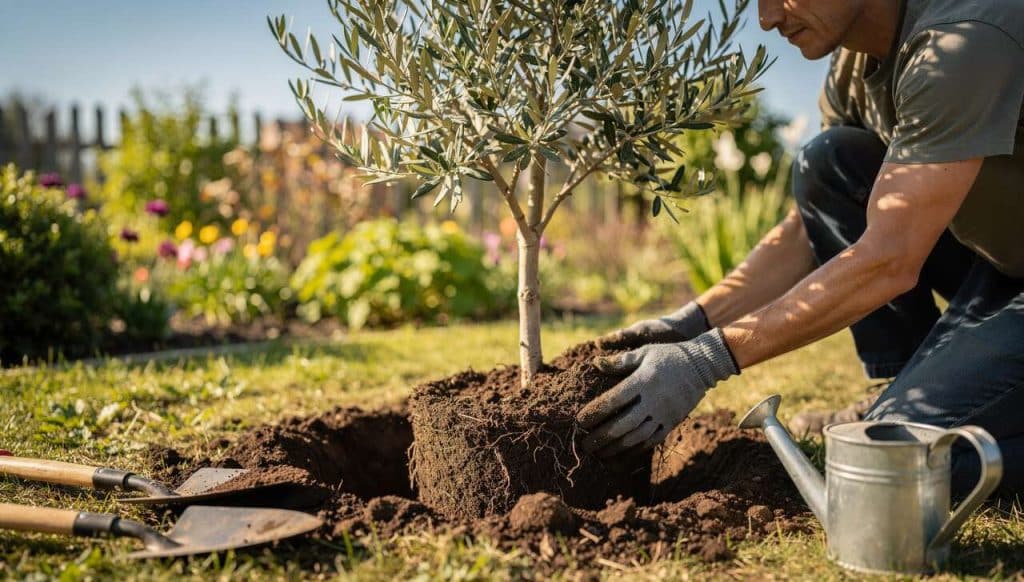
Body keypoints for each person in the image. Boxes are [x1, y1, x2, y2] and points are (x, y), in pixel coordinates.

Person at [578, 0, 1024, 497]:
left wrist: (707, 360)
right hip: (1000, 264)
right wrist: (689, 323)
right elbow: (807, 229)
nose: (767, 18)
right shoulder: (854, 64)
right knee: (827, 162)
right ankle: (903, 385)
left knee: (898, 468)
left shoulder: (959, 42)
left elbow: (889, 257)